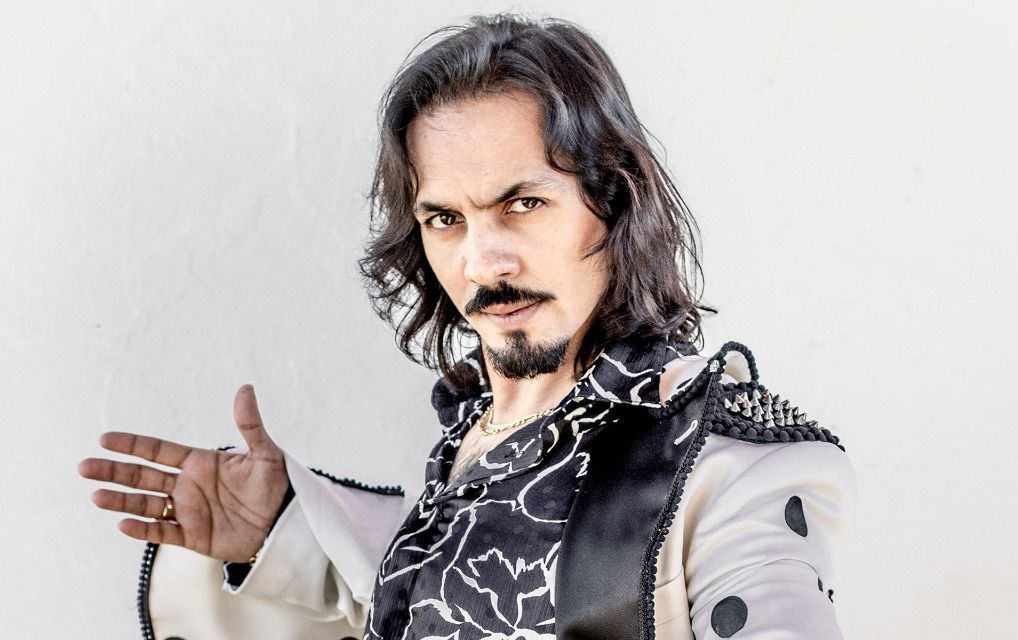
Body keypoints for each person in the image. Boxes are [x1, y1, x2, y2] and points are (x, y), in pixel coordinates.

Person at [78, 13, 855, 640]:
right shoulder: (472, 434)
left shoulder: (726, 458)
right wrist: (285, 530)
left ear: (612, 200)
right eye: (445, 219)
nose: (484, 262)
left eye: (524, 203)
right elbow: (451, 600)